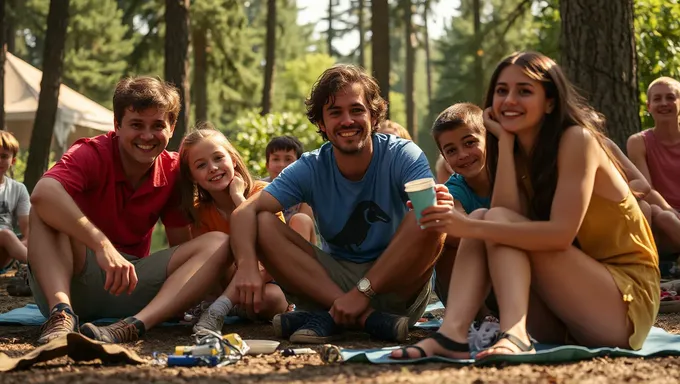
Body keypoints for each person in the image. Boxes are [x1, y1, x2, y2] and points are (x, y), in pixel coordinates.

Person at [392, 51, 659, 360]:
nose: (509, 100)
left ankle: (516, 334)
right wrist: (504, 143)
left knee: (483, 221)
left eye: (524, 90)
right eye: (502, 91)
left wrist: (466, 226)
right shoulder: (518, 152)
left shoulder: (577, 140)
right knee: (485, 215)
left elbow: (559, 234)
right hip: (566, 306)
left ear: (549, 101)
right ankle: (452, 335)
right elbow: (504, 216)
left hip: (623, 305)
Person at [230, 64, 452, 344]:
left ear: (373, 115)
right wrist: (247, 265)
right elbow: (243, 212)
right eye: (335, 113)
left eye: (357, 110)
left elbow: (428, 215)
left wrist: (363, 292)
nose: (347, 120)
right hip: (331, 282)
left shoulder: (402, 155)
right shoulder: (311, 166)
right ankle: (363, 319)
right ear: (321, 123)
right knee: (261, 219)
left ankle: (330, 316)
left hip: (397, 281)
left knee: (430, 211)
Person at [27, 76, 231, 344]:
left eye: (158, 125)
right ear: (117, 125)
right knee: (44, 206)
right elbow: (43, 193)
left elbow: (179, 245)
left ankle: (135, 325)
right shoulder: (91, 152)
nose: (147, 136)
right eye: (136, 124)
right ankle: (61, 316)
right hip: (70, 280)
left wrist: (191, 291)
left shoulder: (173, 170)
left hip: (131, 284)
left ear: (171, 128)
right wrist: (102, 245)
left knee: (218, 242)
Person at [177, 125, 289, 333]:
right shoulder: (200, 212)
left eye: (218, 158)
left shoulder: (262, 192)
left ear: (233, 160)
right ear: (192, 176)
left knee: (274, 299)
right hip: (230, 283)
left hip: (266, 278)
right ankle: (226, 306)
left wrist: (239, 199)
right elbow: (210, 268)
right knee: (219, 245)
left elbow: (274, 252)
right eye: (201, 165)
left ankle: (220, 309)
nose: (212, 168)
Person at [429, 103, 491, 308]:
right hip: (472, 285)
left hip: (514, 273)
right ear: (444, 158)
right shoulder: (455, 188)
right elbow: (455, 226)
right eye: (451, 150)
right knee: (445, 241)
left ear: (488, 140)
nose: (463, 154)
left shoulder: (509, 176)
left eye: (470, 142)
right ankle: (477, 317)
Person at [627, 77, 680, 254]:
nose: (664, 103)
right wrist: (671, 212)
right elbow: (646, 189)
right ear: (648, 106)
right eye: (657, 99)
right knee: (658, 213)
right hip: (662, 221)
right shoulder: (638, 142)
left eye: (670, 97)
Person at [262, 136, 316, 244]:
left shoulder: (306, 190)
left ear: (299, 166)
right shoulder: (260, 188)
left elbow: (304, 224)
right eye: (276, 159)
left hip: (298, 243)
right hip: (270, 244)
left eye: (288, 159)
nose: (282, 165)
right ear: (267, 165)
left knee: (301, 219)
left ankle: (299, 260)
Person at [0, 131, 30, 274]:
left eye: (4, 156)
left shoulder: (18, 189)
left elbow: (28, 231)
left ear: (13, 161)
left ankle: (28, 266)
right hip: (7, 239)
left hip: (5, 252)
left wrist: (16, 247)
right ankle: (41, 267)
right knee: (6, 235)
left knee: (42, 232)